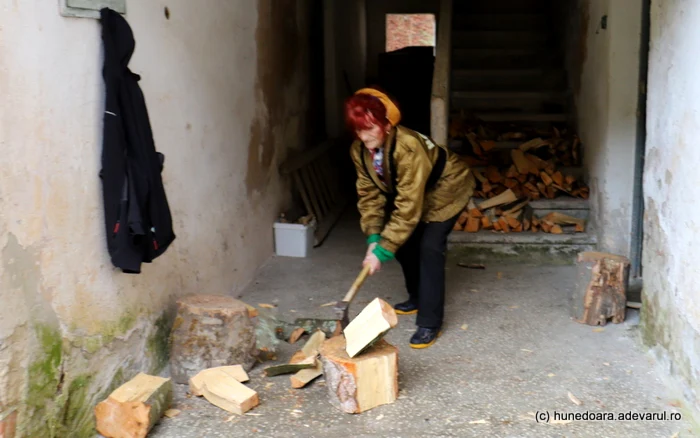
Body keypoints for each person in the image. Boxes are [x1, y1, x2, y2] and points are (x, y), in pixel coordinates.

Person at [345, 87, 476, 349]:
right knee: (402, 244)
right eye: (358, 129)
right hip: (416, 192)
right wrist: (374, 238)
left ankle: (429, 322)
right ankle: (417, 296)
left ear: (386, 124)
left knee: (429, 248)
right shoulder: (359, 151)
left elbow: (407, 208)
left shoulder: (408, 147)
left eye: (370, 128)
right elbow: (368, 193)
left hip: (446, 190)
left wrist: (382, 251)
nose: (364, 135)